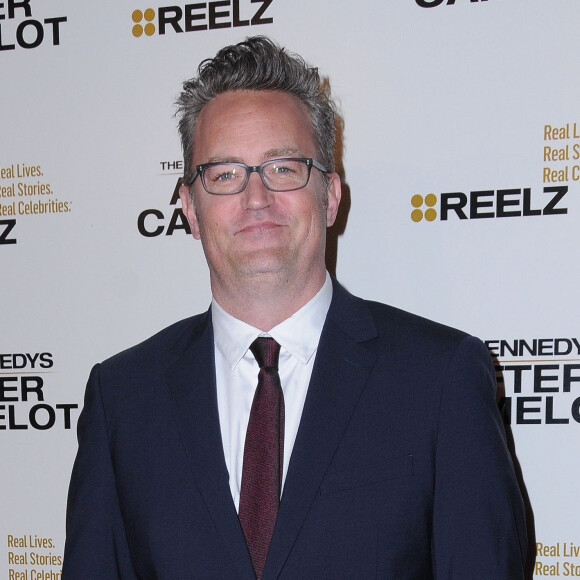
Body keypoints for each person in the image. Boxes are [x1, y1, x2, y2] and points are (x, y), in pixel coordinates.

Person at [63, 36, 527, 579]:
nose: (256, 199)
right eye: (225, 174)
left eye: (283, 168)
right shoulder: (123, 398)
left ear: (329, 194)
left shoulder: (440, 379)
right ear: (189, 207)